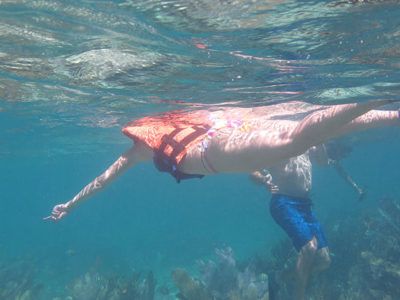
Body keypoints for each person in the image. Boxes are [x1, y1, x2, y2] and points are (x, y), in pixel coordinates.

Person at [44, 100, 399, 221]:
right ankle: (391, 111)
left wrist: (71, 205)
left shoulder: (140, 149)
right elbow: (103, 179)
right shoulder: (189, 118)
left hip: (212, 154)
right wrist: (70, 205)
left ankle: (374, 98)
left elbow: (104, 180)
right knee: (305, 134)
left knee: (297, 139)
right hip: (233, 130)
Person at [250, 142, 364, 300]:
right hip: (283, 202)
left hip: (305, 206)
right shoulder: (280, 146)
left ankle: (279, 277)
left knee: (325, 261)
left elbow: (323, 162)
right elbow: (252, 170)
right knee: (309, 248)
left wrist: (320, 139)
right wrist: (264, 180)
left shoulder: (309, 145)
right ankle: (299, 296)